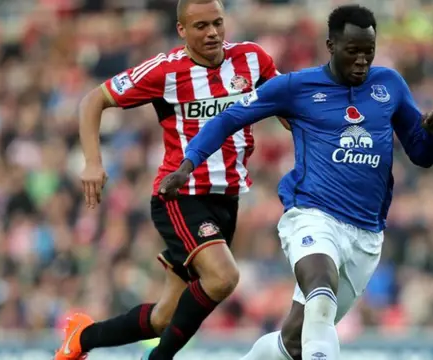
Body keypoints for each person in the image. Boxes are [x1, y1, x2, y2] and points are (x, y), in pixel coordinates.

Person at [159, 5, 433, 360]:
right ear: (331, 45)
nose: (361, 61)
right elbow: (229, 118)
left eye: (368, 52)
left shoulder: (388, 85)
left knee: (294, 341)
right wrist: (188, 165)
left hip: (367, 235)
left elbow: (422, 155)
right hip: (312, 215)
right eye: (352, 51)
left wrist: (431, 134)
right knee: (320, 287)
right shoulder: (297, 87)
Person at [54, 0, 285, 359]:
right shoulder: (165, 70)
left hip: (228, 197)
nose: (212, 33)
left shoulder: (253, 59)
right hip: (180, 195)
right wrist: (92, 162)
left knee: (164, 317)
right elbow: (92, 100)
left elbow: (289, 109)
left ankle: (81, 338)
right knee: (223, 277)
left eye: (218, 23)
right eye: (201, 26)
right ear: (182, 30)